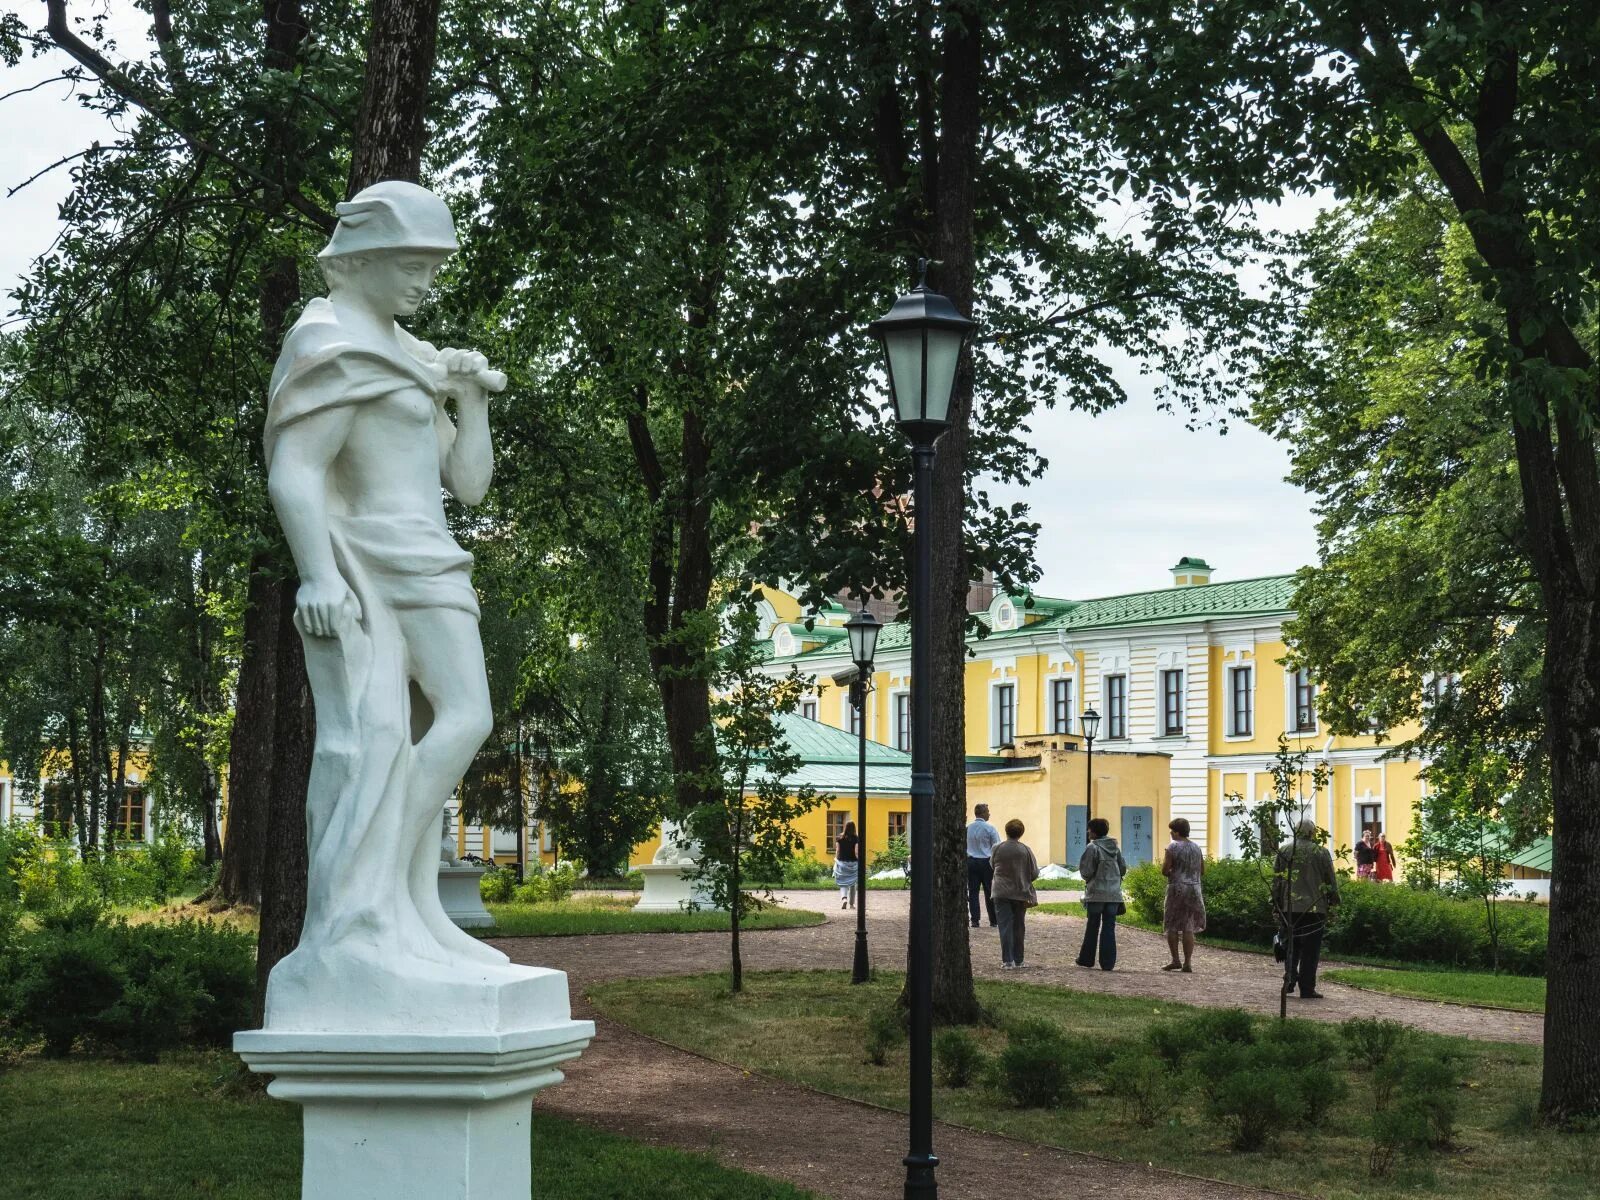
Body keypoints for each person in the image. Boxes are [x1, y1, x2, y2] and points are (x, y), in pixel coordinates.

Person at [1272, 817, 1341, 999]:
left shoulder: (1285, 851)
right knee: (1311, 950)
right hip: (1315, 908)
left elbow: (1277, 881)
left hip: (1290, 906)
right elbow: (1330, 881)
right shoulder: (1322, 852)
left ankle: (1289, 979)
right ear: (1312, 833)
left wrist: (1276, 903)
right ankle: (1307, 987)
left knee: (1290, 945)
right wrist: (1334, 902)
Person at [1076, 817, 1127, 971]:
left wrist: (1090, 878)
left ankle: (1086, 959)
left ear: (1094, 831)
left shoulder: (1092, 848)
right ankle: (1108, 962)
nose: (1087, 831)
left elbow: (1086, 871)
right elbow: (1123, 868)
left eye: (1089, 829)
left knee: (1092, 926)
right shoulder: (1115, 848)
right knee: (1109, 927)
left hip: (1096, 893)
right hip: (1113, 894)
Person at [990, 819, 1040, 970]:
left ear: (1006, 831)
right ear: (1021, 833)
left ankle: (1007, 960)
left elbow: (992, 865)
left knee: (1005, 926)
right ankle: (1019, 960)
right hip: (1020, 892)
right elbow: (1034, 872)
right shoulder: (1025, 850)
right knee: (1019, 927)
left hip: (1000, 891)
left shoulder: (997, 848)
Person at [1160, 817, 1206, 973]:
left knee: (1172, 925)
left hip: (1177, 888)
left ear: (1177, 832)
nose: (1171, 833)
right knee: (1188, 927)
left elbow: (1165, 870)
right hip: (1194, 888)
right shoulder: (1196, 847)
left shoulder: (1172, 847)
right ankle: (1187, 963)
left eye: (1172, 831)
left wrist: (1174, 872)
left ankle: (1175, 960)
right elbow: (1202, 870)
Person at [965, 803, 1001, 928]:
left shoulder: (968, 828)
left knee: (973, 891)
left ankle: (975, 920)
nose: (989, 813)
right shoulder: (990, 828)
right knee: (990, 891)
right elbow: (996, 846)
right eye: (988, 811)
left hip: (971, 862)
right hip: (986, 862)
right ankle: (993, 920)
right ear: (983, 813)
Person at [834, 820, 860, 910]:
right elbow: (856, 852)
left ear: (845, 827)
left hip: (842, 863)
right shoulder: (856, 838)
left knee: (843, 883)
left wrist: (836, 861)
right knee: (853, 884)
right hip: (853, 863)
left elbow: (837, 851)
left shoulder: (839, 837)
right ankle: (851, 904)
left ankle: (844, 899)